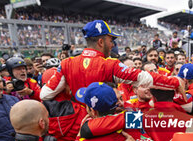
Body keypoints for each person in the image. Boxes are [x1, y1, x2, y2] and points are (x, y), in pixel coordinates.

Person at [40, 20, 182, 101]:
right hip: (105, 124)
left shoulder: (67, 63)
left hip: (78, 128)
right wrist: (175, 82)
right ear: (101, 42)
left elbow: (45, 94)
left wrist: (69, 92)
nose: (113, 44)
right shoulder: (110, 65)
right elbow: (145, 78)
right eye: (111, 40)